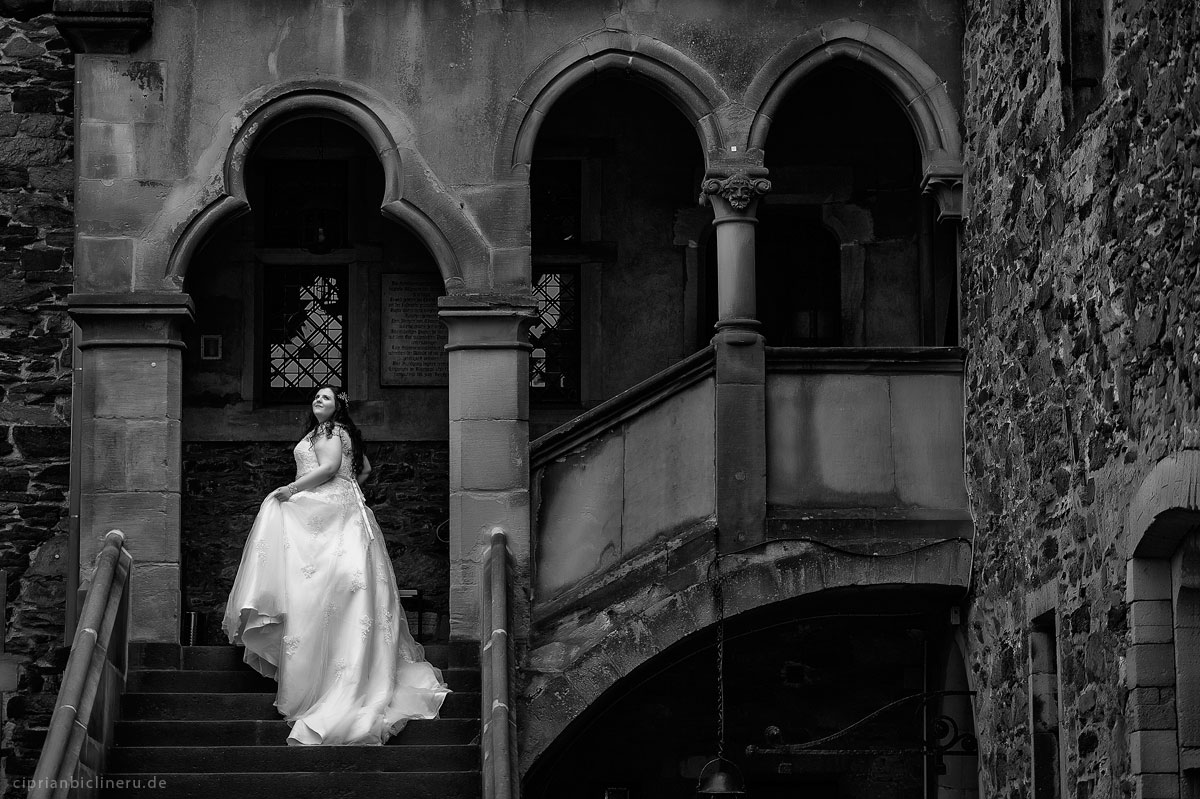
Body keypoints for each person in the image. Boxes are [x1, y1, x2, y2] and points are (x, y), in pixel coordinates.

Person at [221, 385, 449, 745]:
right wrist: (348, 489)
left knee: (322, 586)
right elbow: (365, 471)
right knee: (337, 589)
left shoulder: (330, 431)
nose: (318, 401)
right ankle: (338, 672)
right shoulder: (333, 433)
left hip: (330, 511)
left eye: (325, 397)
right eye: (316, 397)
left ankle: (328, 680)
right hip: (343, 511)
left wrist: (293, 490)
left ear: (338, 407)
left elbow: (328, 468)